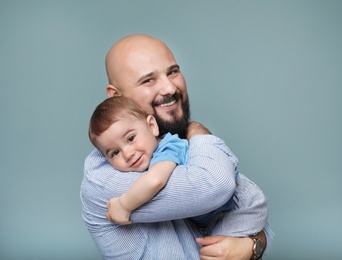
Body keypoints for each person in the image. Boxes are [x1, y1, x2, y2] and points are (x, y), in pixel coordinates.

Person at [81, 34, 273, 259]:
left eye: (172, 72)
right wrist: (198, 131)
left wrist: (250, 247)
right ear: (116, 96)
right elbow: (218, 186)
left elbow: (252, 213)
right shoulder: (105, 177)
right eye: (148, 80)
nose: (169, 88)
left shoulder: (165, 144)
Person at [89, 96, 238, 229]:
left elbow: (155, 180)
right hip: (211, 217)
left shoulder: (169, 146)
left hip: (234, 210)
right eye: (115, 153)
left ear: (152, 126)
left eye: (130, 138)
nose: (128, 154)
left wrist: (123, 205)